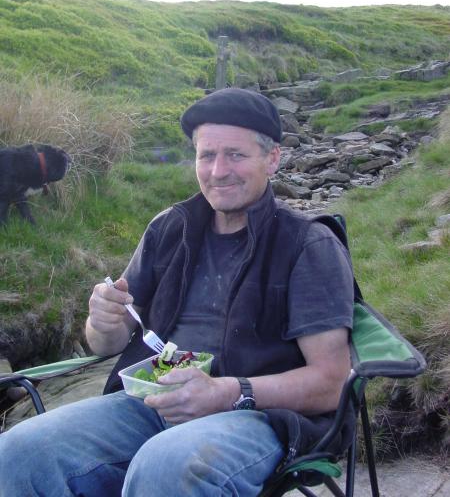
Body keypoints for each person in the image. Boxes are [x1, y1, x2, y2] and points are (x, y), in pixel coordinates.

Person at [0, 88, 355, 496]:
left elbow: (330, 382)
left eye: (235, 155)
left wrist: (228, 392)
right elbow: (106, 342)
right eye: (207, 155)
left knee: (165, 467)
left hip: (258, 413)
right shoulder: (170, 228)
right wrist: (101, 320)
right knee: (17, 454)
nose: (218, 170)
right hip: (153, 401)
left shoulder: (308, 245)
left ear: (272, 158)